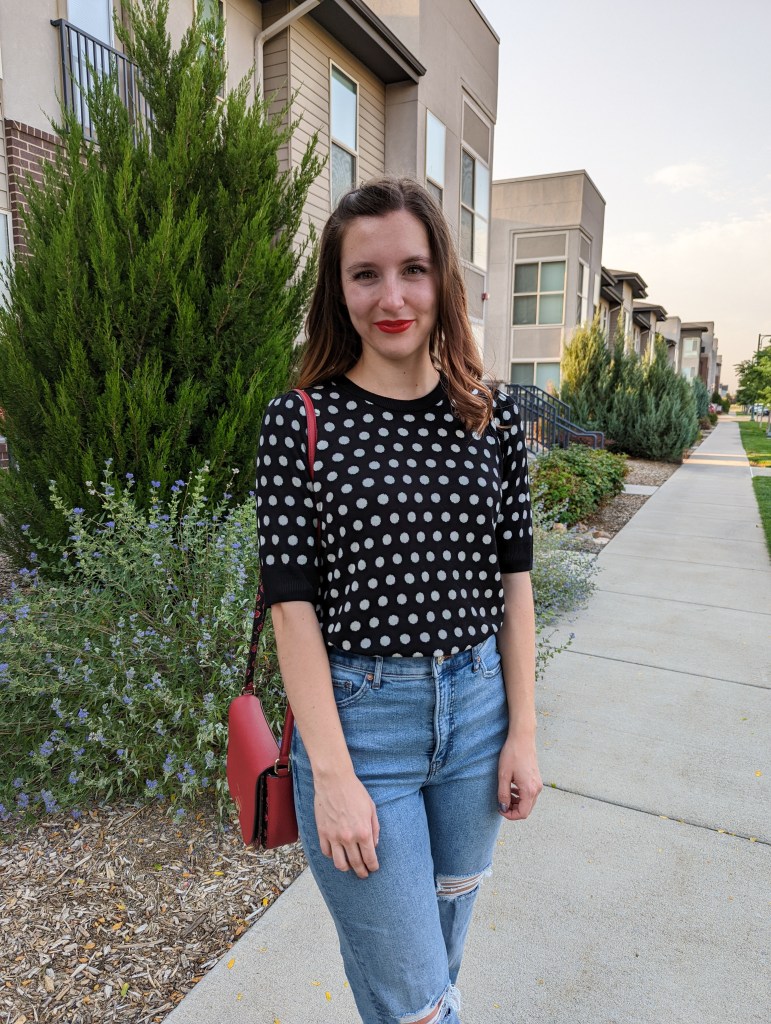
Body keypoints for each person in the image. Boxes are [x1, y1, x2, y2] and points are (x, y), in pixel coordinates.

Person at [255, 176, 542, 1024]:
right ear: (337, 290)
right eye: (365, 274)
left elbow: (514, 583)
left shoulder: (490, 418)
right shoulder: (299, 422)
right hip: (361, 731)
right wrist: (332, 777)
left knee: (432, 971)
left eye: (412, 270)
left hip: (477, 718)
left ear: (441, 279)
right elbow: (291, 608)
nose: (392, 298)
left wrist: (523, 732)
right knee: (418, 1004)